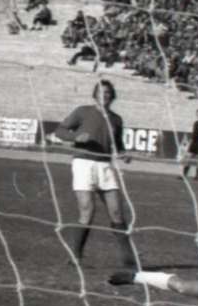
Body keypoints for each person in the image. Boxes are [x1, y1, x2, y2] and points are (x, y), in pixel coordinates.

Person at [50, 79, 137, 272]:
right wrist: (76, 137)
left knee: (117, 212)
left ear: (112, 96)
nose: (104, 96)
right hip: (83, 164)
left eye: (107, 93)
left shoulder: (116, 119)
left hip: (105, 166)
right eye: (101, 92)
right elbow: (60, 131)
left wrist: (123, 153)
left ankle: (129, 262)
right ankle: (75, 257)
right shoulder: (82, 112)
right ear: (95, 94)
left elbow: (118, 144)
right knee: (87, 211)